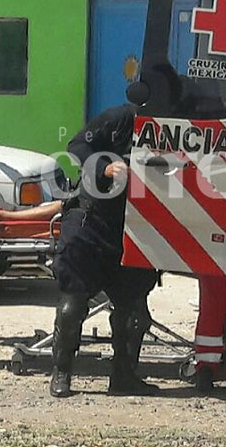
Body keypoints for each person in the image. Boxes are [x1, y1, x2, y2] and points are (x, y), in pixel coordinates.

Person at [50, 103, 159, 398]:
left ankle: (123, 376)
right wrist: (105, 167)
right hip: (90, 220)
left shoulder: (177, 128)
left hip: (133, 226)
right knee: (72, 306)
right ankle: (61, 373)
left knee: (134, 310)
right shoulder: (121, 118)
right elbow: (77, 145)